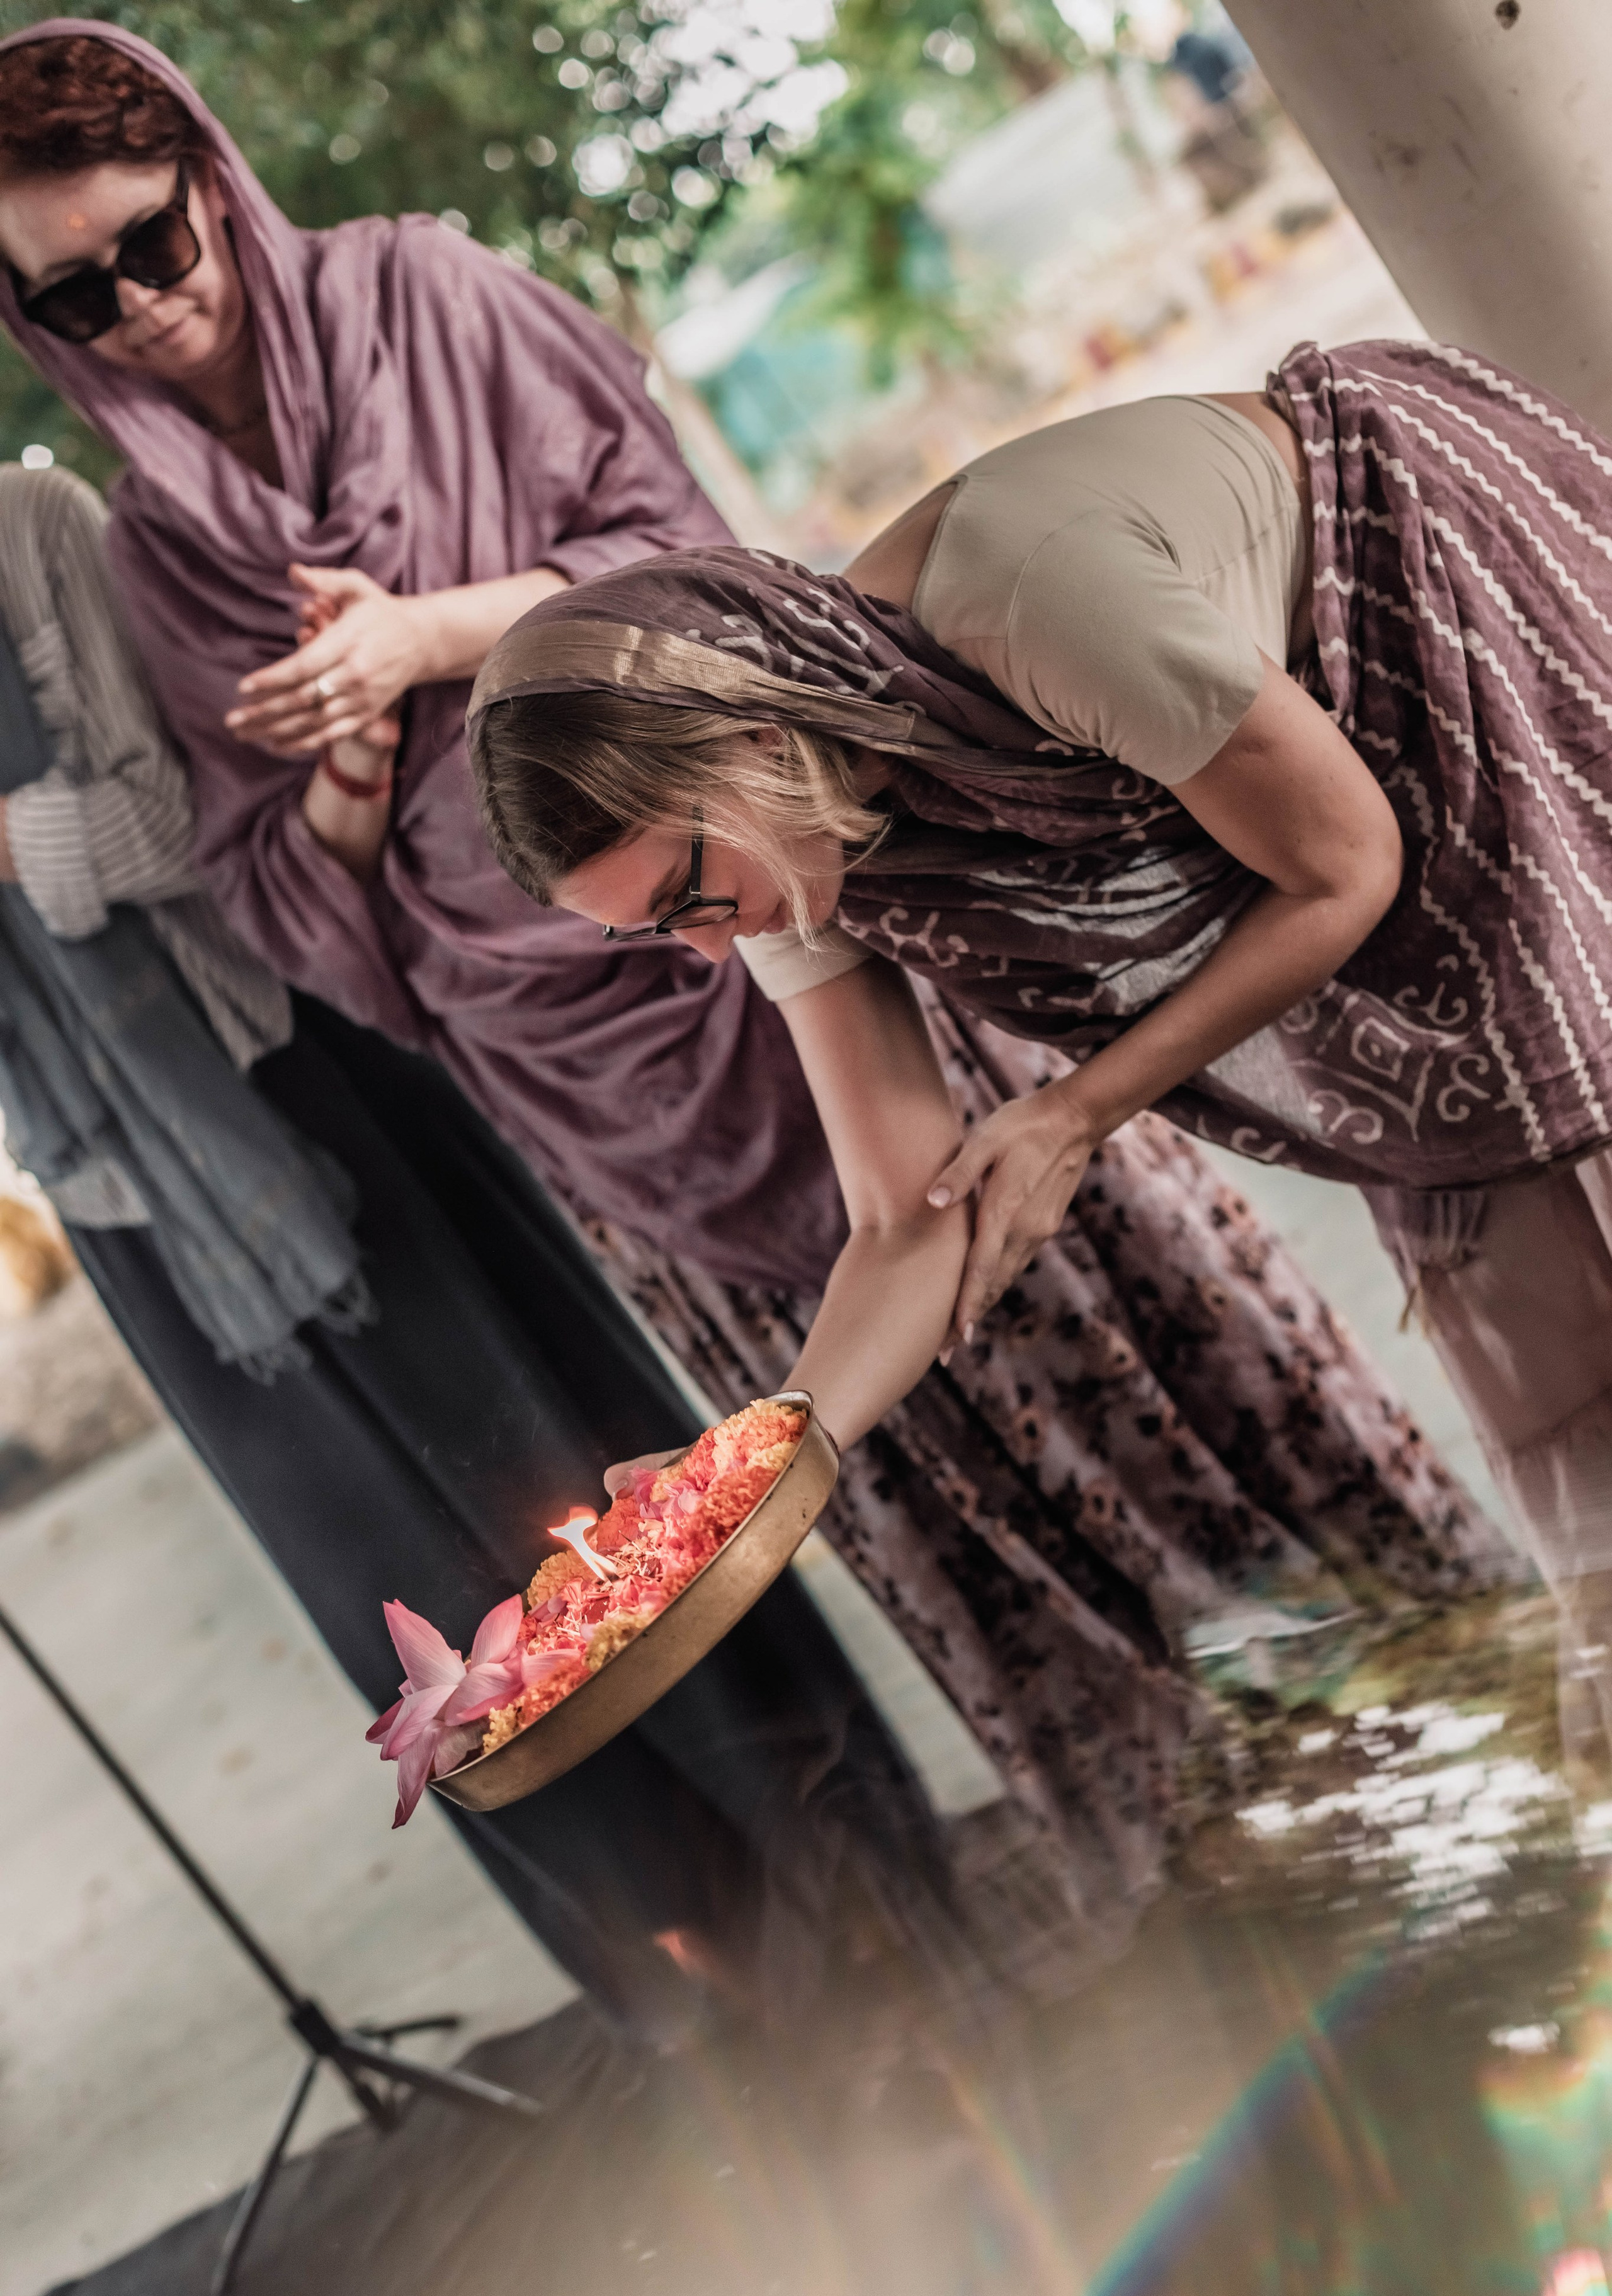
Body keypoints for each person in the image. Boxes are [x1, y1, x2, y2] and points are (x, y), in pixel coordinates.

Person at [0, 28, 1507, 1960]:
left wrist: (438, 632)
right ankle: (1257, 1906)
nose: (135, 308)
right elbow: (283, 907)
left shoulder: (440, 312)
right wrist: (361, 775)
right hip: (600, 1077)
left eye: (150, 245)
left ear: (213, 180)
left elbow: (721, 593)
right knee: (946, 1477)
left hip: (810, 898)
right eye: (65, 296)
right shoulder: (156, 559)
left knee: (1108, 1331)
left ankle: (1450, 1733)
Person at [465, 346, 1612, 1742]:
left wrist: (1079, 1108)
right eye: (661, 932)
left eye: (691, 898)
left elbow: (1338, 864)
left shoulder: (1029, 598)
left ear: (756, 744)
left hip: (1458, 633)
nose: (710, 949)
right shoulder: (789, 838)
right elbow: (904, 1214)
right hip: (1321, 815)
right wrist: (750, 1470)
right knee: (1539, 1338)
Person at [0, 460, 942, 2049]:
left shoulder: (36, 531)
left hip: (312, 1102)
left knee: (580, 1520)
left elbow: (189, 818)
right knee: (403, 1622)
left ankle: (868, 1904)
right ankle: (693, 1999)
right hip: (132, 1207)